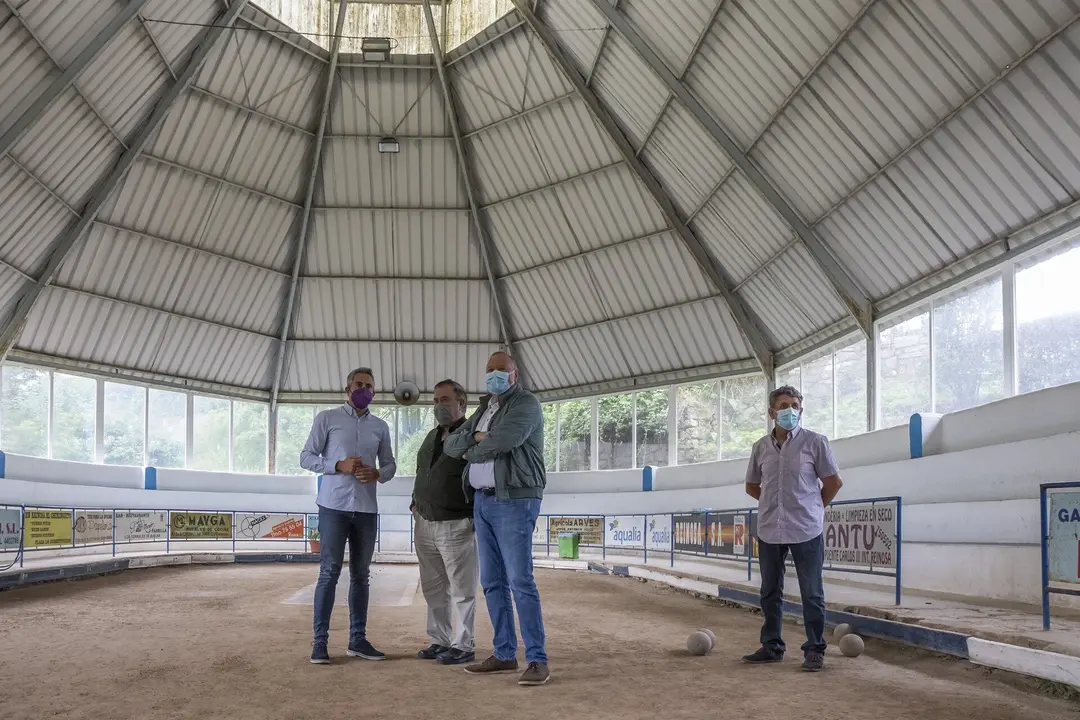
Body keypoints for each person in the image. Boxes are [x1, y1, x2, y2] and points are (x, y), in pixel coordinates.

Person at [443, 351, 550, 686]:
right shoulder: (485, 408)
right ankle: (505, 653)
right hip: (483, 502)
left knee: (520, 581)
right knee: (491, 582)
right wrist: (477, 438)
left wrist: (473, 448)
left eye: (501, 370)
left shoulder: (526, 404)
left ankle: (537, 659)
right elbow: (450, 446)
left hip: (515, 499)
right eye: (490, 370)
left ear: (514, 375)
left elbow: (505, 440)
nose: (494, 375)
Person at [742, 385, 843, 672]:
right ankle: (772, 646)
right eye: (784, 405)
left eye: (795, 405)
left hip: (806, 529)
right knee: (769, 591)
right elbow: (751, 485)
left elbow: (834, 482)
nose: (790, 410)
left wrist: (813, 507)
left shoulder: (815, 442)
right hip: (770, 528)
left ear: (801, 409)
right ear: (772, 412)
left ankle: (814, 649)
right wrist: (774, 504)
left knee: (812, 592)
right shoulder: (760, 447)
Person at [301, 366, 396, 665]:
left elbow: (391, 465)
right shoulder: (327, 418)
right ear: (347, 389)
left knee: (361, 575)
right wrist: (337, 465)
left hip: (366, 509)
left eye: (369, 386)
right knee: (329, 572)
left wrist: (378, 473)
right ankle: (320, 643)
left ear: (374, 392)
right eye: (358, 384)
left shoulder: (380, 426)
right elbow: (306, 457)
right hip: (333, 507)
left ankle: (358, 640)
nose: (363, 389)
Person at [410, 379, 478, 666]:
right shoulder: (430, 437)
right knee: (433, 586)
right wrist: (415, 504)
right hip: (424, 521)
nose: (439, 405)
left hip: (456, 522)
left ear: (461, 403)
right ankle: (439, 639)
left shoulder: (471, 434)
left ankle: (463, 644)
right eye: (436, 400)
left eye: (445, 400)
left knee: (462, 588)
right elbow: (422, 471)